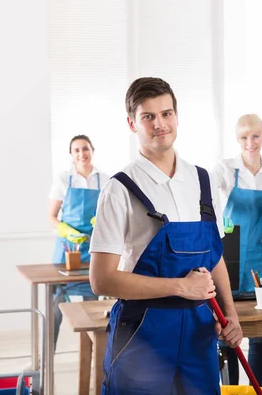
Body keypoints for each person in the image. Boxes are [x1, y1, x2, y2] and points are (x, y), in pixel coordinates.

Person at [89, 77, 243, 394]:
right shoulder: (119, 189)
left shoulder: (203, 181)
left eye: (167, 113)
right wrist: (181, 287)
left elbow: (213, 258)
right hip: (143, 333)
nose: (160, 124)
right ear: (132, 123)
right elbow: (101, 280)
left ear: (177, 116)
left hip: (199, 332)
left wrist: (231, 313)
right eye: (149, 116)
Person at [212, 113, 262, 386]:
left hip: (261, 256)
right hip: (230, 258)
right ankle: (231, 388)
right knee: (228, 329)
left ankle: (256, 388)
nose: (250, 142)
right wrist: (220, 218)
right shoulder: (224, 169)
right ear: (237, 139)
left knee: (259, 333)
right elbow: (206, 199)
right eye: (244, 137)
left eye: (255, 136)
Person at [48, 134, 109, 348]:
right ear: (71, 154)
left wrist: (100, 220)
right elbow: (52, 216)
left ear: (92, 150)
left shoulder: (105, 179)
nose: (82, 153)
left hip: (94, 248)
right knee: (55, 303)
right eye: (77, 150)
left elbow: (110, 214)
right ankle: (48, 353)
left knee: (91, 307)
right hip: (67, 248)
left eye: (85, 148)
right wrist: (65, 230)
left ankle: (92, 355)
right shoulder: (64, 179)